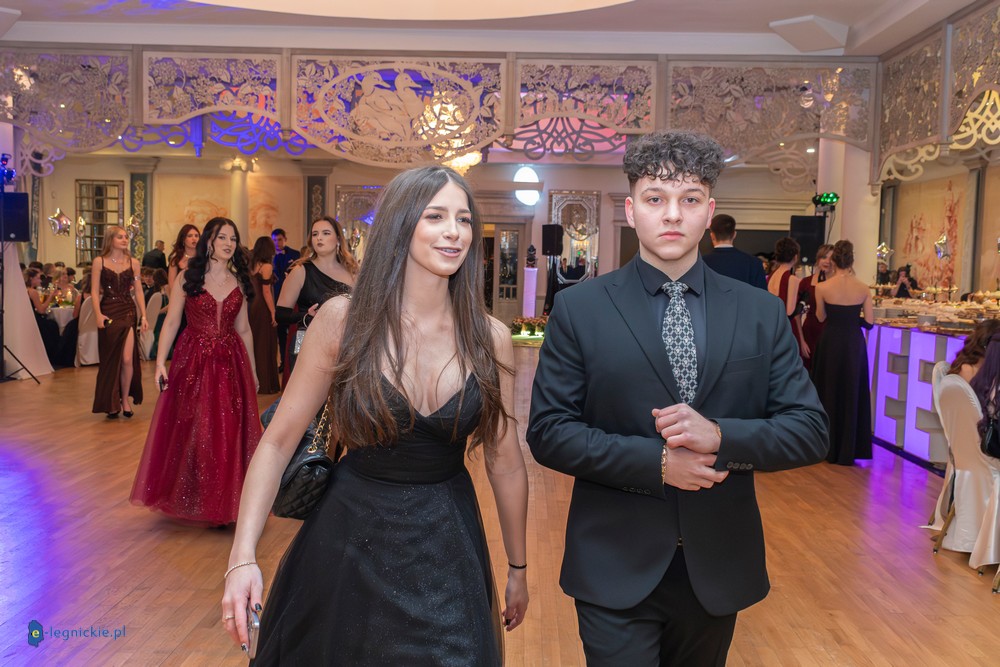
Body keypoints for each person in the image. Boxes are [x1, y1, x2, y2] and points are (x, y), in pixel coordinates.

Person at [526, 130, 828, 665]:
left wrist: (721, 437)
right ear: (631, 210)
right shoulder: (581, 309)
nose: (672, 214)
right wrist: (658, 462)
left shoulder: (758, 312)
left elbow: (809, 430)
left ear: (709, 213)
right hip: (614, 559)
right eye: (655, 198)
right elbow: (550, 431)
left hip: (716, 563)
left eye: (689, 199)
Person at [221, 166, 529, 664]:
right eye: (435, 216)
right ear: (400, 224)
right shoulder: (344, 321)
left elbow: (506, 461)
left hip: (447, 547)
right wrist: (242, 558)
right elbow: (277, 442)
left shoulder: (489, 337)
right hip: (348, 544)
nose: (454, 231)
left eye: (464, 219)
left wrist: (518, 567)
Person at [130, 217, 260, 525]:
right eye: (222, 237)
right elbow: (172, 322)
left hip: (230, 362)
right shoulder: (188, 276)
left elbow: (244, 329)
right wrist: (160, 363)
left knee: (227, 429)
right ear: (209, 241)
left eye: (233, 238)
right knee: (195, 426)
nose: (229, 243)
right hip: (194, 360)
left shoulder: (239, 280)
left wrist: (253, 371)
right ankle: (194, 494)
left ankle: (224, 500)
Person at [811, 240, 873, 466]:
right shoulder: (863, 288)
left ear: (834, 261)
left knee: (828, 390)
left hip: (831, 342)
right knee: (851, 391)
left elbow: (820, 316)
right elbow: (870, 322)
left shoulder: (822, 287)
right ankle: (849, 448)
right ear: (852, 261)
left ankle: (826, 446)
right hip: (853, 343)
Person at [276, 216, 357, 379]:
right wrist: (305, 316)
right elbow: (280, 315)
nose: (319, 238)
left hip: (341, 344)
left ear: (338, 239)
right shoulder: (300, 270)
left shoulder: (351, 272)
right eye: (315, 234)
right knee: (304, 393)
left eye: (326, 233)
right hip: (304, 340)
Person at [91, 226, 148, 418]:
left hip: (127, 311)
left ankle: (124, 399)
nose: (124, 240)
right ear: (110, 239)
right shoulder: (99, 262)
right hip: (108, 311)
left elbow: (138, 290)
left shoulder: (134, 263)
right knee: (110, 359)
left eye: (126, 237)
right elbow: (94, 291)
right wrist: (98, 314)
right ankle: (111, 401)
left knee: (127, 359)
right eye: (120, 237)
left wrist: (144, 315)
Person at [248, 236, 280, 394]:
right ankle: (266, 384)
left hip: (252, 306)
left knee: (255, 343)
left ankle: (254, 381)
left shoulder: (252, 264)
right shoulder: (266, 266)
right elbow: (266, 291)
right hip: (262, 307)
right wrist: (273, 312)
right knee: (265, 344)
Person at [768, 236, 808, 360]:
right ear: (795, 257)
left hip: (772, 327)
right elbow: (789, 312)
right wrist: (803, 302)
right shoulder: (792, 279)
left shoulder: (771, 276)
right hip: (787, 330)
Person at [702, 213, 767, 289]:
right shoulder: (754, 263)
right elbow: (762, 295)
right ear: (734, 234)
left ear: (712, 236)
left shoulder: (701, 263)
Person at [798, 243, 834, 371]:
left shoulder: (837, 284)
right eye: (824, 257)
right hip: (810, 333)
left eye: (831, 258)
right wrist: (801, 340)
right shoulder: (805, 282)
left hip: (830, 335)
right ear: (818, 259)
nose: (827, 261)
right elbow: (797, 314)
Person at [271, 227, 300, 373]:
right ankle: (284, 362)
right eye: (274, 240)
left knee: (297, 333)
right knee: (281, 335)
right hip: (277, 299)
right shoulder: (270, 256)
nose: (277, 243)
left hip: (295, 300)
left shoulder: (295, 255)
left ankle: (297, 364)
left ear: (285, 239)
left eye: (279, 239)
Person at [23, 267, 61, 365]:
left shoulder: (22, 290)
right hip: (34, 320)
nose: (40, 280)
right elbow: (41, 310)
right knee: (53, 325)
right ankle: (52, 357)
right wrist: (51, 297)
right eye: (38, 278)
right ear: (31, 278)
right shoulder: (32, 292)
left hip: (25, 319)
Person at [167, 224, 201, 292]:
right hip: (180, 295)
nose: (194, 238)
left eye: (196, 236)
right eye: (190, 236)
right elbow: (171, 286)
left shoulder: (204, 258)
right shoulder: (175, 260)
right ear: (183, 239)